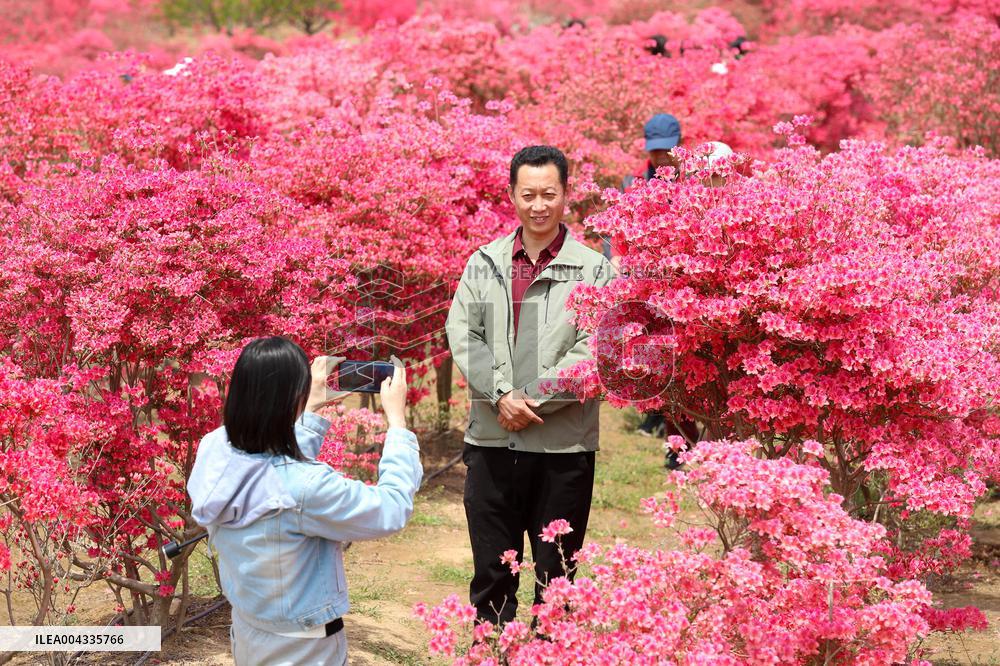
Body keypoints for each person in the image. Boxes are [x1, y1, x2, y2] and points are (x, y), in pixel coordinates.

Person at [446, 145, 614, 626]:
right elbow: (464, 334)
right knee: (492, 574)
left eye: (548, 194)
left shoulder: (595, 269)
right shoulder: (485, 263)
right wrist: (501, 394)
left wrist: (530, 399)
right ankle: (492, 651)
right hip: (492, 441)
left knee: (555, 577)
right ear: (511, 196)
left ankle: (548, 653)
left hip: (562, 448)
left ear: (565, 195)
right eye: (528, 195)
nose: (539, 205)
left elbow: (595, 348)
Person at [187, 338, 421, 666]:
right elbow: (391, 508)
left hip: (249, 631)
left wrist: (308, 410)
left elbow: (269, 467)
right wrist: (398, 424)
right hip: (304, 649)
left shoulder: (215, 449)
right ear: (293, 397)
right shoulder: (305, 486)